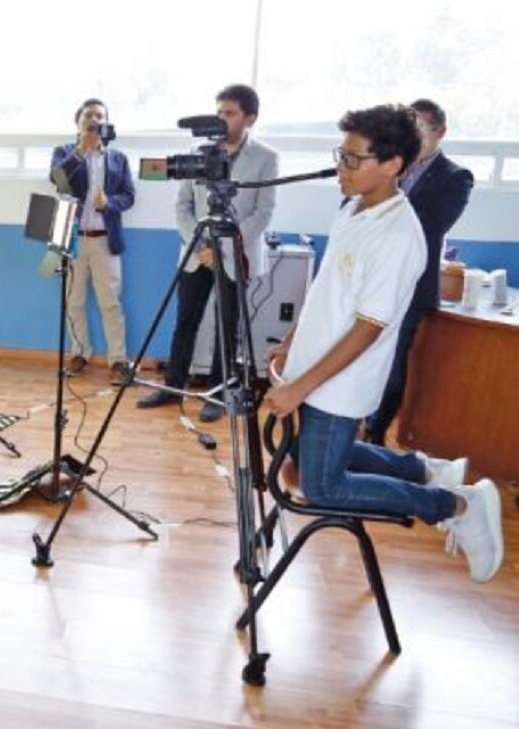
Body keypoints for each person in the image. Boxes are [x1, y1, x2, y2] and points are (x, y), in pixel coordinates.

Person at [265, 104, 502, 583]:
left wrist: (299, 387)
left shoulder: (398, 235)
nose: (341, 167)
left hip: (339, 384)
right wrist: (291, 343)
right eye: (341, 155)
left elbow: (367, 328)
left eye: (354, 159)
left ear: (393, 164)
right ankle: (423, 470)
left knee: (323, 486)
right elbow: (325, 290)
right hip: (314, 369)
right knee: (315, 458)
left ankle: (456, 505)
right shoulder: (354, 209)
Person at [137, 84, 279, 422]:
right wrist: (200, 245)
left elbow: (263, 213)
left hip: (234, 255)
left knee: (227, 327)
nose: (221, 119)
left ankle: (218, 394)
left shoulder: (266, 157)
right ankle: (173, 387)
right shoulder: (198, 152)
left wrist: (223, 247)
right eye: (218, 112)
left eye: (229, 113)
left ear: (250, 118)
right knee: (185, 321)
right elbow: (183, 206)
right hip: (196, 253)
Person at [363, 99, 475, 445]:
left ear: (440, 132)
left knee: (394, 364)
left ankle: (376, 431)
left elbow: (432, 226)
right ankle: (355, 420)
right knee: (362, 354)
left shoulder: (455, 177)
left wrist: (385, 203)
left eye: (422, 128)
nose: (413, 135)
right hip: (371, 275)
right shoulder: (388, 165)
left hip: (412, 285)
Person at [50, 98, 136, 385]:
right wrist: (80, 151)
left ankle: (118, 360)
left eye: (100, 116)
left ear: (106, 123)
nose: (94, 120)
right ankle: (79, 354)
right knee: (73, 302)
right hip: (72, 240)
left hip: (105, 242)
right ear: (78, 122)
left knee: (110, 303)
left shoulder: (118, 158)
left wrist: (109, 203)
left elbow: (129, 196)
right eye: (88, 115)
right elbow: (57, 179)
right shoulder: (64, 152)